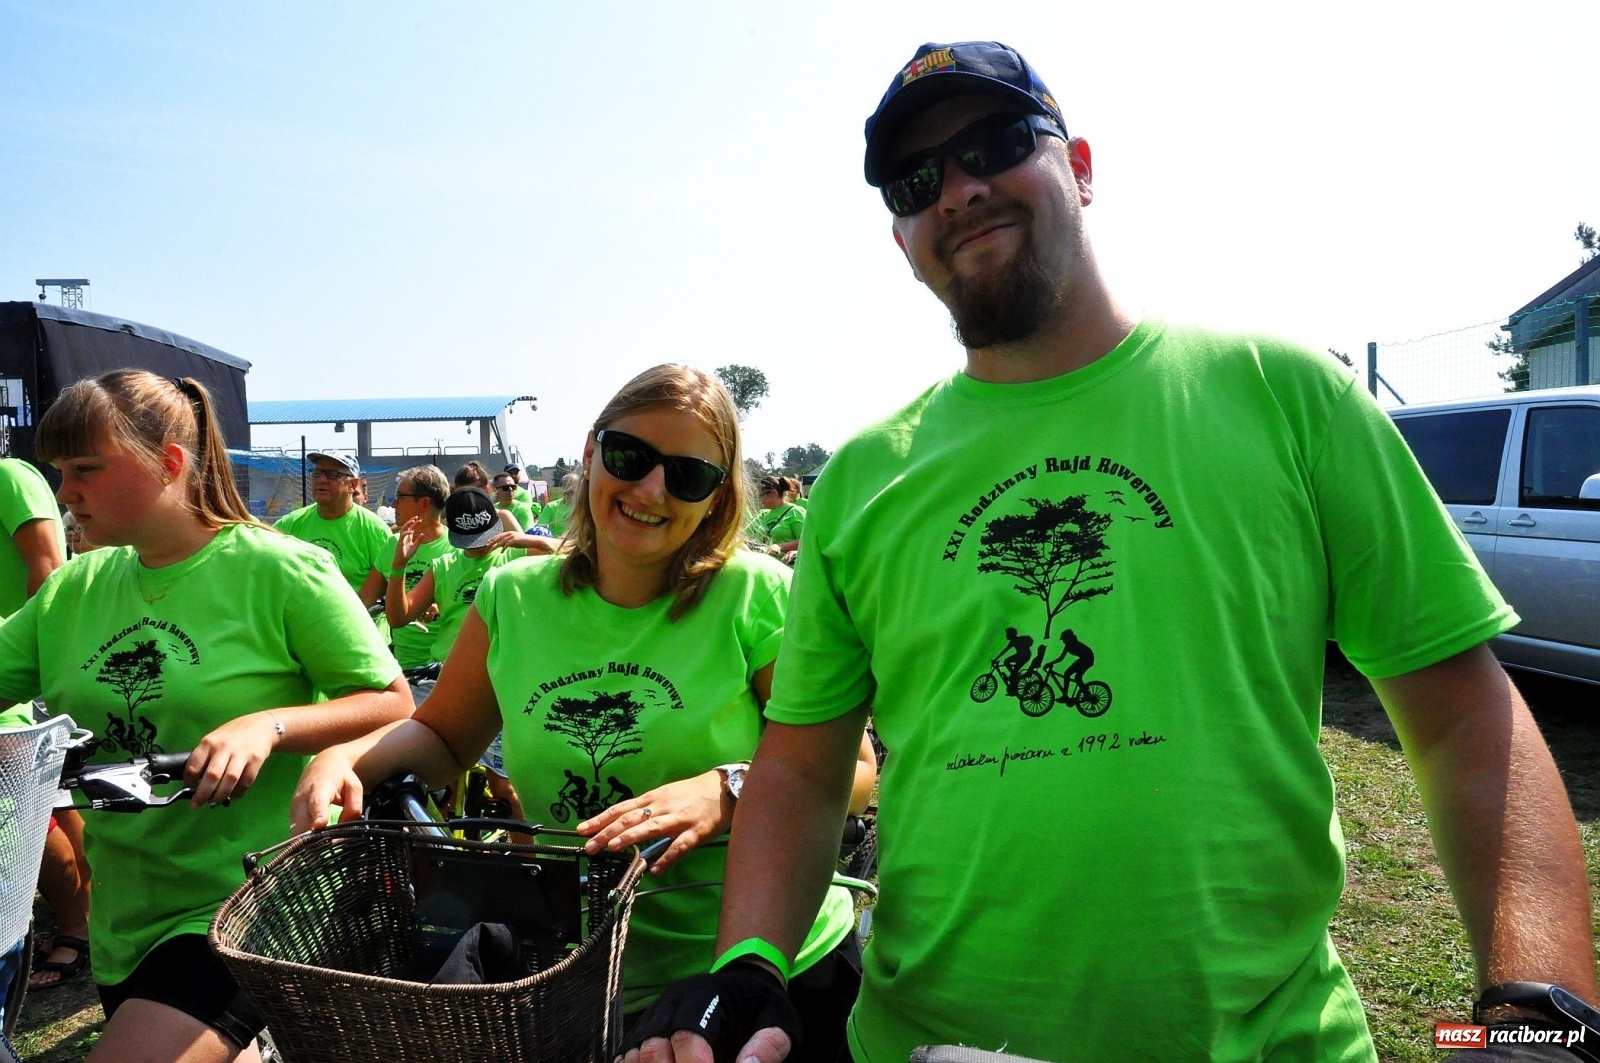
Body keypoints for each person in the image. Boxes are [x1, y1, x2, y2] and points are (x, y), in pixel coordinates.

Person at [621, 41, 1597, 1063]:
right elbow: (804, 769)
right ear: (902, 240)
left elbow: (1461, 718)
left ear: (1079, 165)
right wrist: (747, 969)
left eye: (996, 143)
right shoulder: (868, 475)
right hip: (932, 1044)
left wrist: (1541, 1007)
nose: (958, 189)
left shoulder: (1283, 392)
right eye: (916, 182)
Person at [293, 365, 877, 1062]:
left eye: (689, 475)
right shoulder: (511, 597)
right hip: (590, 974)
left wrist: (727, 789)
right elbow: (443, 735)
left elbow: (857, 772)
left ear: (719, 496)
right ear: (591, 449)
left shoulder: (758, 593)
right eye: (630, 457)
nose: (651, 489)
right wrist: (342, 757)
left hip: (765, 971)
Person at [0, 370, 411, 1063]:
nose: (66, 492)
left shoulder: (282, 570)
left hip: (249, 906)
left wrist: (268, 724)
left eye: (86, 470)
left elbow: (389, 698)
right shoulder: (73, 589)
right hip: (124, 917)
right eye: (60, 472)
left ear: (169, 462)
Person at [274, 452, 392, 607]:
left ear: (352, 485)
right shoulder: (289, 525)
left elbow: (394, 582)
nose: (322, 480)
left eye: (332, 474)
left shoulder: (374, 529)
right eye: (317, 473)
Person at [382, 465, 457, 672]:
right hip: (402, 669)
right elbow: (365, 601)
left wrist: (441, 605)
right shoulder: (392, 545)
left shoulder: (458, 548)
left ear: (424, 503)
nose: (394, 503)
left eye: (400, 496)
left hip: (446, 671)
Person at [455, 461, 520, 534]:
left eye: (473, 492)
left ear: (486, 490)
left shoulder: (503, 518)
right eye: (462, 492)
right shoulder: (451, 522)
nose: (467, 497)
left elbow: (524, 544)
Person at [752, 476, 805, 562]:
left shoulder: (795, 512)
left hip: (788, 568)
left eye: (762, 495)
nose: (760, 499)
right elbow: (745, 535)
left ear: (773, 493)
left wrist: (780, 546)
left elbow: (806, 540)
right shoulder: (763, 514)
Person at [541, 471, 580, 538]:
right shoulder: (550, 507)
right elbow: (541, 528)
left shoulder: (584, 507)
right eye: (565, 485)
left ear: (579, 487)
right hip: (556, 545)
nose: (568, 489)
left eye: (572, 485)